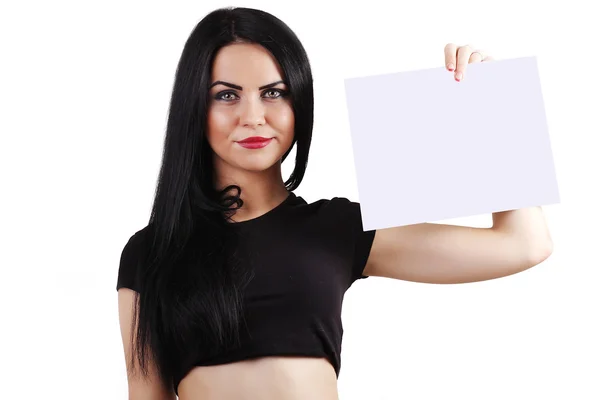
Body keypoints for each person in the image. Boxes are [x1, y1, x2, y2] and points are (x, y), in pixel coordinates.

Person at [116, 6, 554, 400]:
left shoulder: (335, 228)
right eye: (227, 95)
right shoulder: (152, 252)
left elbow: (523, 244)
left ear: (299, 103)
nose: (253, 116)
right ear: (194, 107)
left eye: (274, 92)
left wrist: (500, 107)